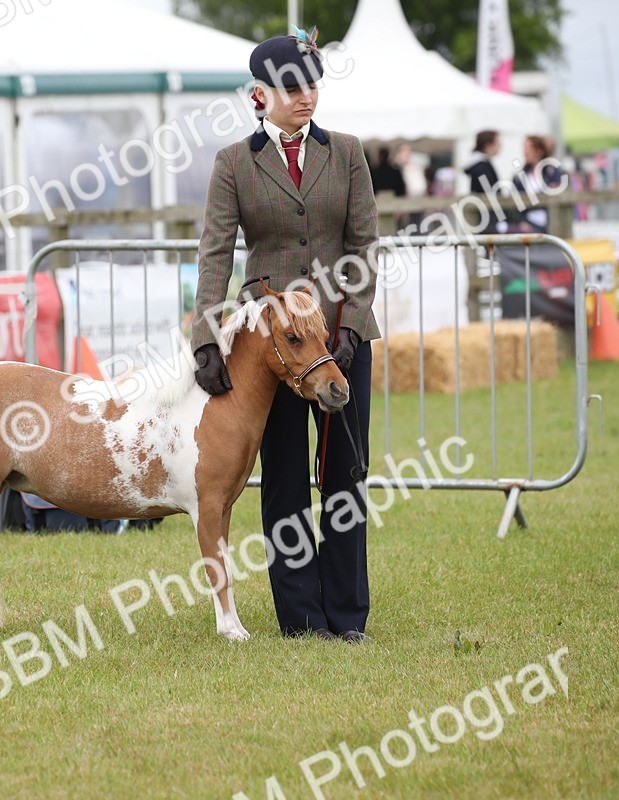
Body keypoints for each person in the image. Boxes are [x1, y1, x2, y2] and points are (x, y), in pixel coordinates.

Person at [190, 30, 379, 643]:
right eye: (293, 88)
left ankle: (348, 617)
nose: (307, 97)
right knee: (287, 479)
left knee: (345, 476)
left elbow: (364, 249)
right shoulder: (233, 164)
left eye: (313, 85)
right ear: (258, 96)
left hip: (340, 341)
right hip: (267, 349)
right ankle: (301, 619)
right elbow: (215, 254)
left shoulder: (348, 153)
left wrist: (348, 327)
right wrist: (206, 337)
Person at [510, 135, 564, 233]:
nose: (525, 151)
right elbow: (514, 204)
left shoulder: (551, 172)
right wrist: (521, 222)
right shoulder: (519, 178)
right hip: (529, 226)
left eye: (529, 147)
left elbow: (560, 193)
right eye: (524, 147)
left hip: (552, 223)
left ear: (539, 150)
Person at [463, 130, 502, 232]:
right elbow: (489, 192)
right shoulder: (481, 168)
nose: (500, 146)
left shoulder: (482, 165)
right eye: (497, 143)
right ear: (488, 145)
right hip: (486, 219)